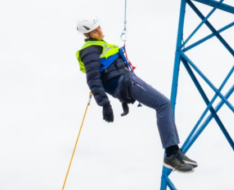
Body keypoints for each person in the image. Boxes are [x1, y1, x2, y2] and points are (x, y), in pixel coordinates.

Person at [75, 17, 198, 173]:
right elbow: (93, 79)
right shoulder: (90, 50)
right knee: (163, 104)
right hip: (126, 83)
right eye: (95, 30)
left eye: (98, 27)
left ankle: (174, 151)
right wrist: (105, 104)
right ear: (87, 35)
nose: (99, 31)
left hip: (126, 81)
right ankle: (171, 154)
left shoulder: (99, 45)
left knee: (164, 104)